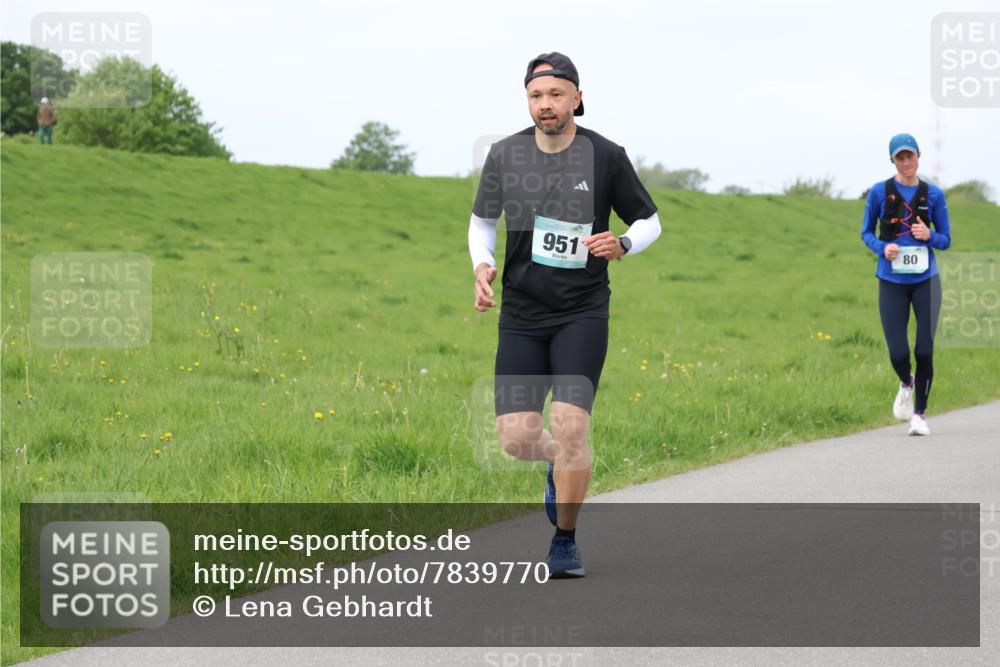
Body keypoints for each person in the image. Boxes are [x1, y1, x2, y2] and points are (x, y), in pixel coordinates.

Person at [468, 52, 662, 578]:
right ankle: (560, 465)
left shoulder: (605, 155)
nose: (545, 104)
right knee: (515, 437)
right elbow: (482, 223)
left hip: (582, 311)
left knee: (571, 427)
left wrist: (622, 242)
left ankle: (565, 539)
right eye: (536, 96)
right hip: (522, 313)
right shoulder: (506, 154)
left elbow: (650, 219)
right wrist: (482, 265)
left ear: (577, 96)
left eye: (556, 94)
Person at [861, 133, 951, 436]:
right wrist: (881, 248)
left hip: (926, 281)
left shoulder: (934, 195)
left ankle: (920, 415)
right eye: (900, 157)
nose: (906, 162)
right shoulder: (878, 192)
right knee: (898, 352)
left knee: (924, 350)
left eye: (910, 156)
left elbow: (946, 240)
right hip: (891, 281)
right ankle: (905, 381)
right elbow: (866, 233)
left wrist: (930, 237)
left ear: (918, 156)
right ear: (892, 161)